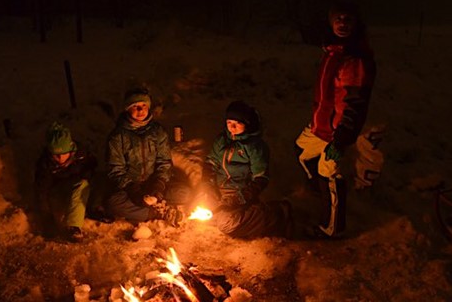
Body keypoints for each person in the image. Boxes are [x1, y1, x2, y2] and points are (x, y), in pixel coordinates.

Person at [295, 0, 376, 239]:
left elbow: (355, 104)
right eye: (338, 19)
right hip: (320, 126)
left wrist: (341, 139)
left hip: (337, 132)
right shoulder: (333, 51)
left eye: (348, 19)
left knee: (329, 173)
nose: (342, 24)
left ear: (356, 23)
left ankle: (332, 229)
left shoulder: (355, 59)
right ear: (331, 22)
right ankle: (321, 193)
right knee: (301, 150)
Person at [200, 100, 293, 239]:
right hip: (220, 192)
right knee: (200, 208)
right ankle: (235, 219)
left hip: (240, 194)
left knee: (226, 223)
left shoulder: (254, 147)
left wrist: (241, 197)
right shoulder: (222, 141)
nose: (232, 127)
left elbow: (261, 178)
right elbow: (210, 164)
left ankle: (275, 214)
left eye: (237, 124)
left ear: (247, 124)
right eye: (229, 123)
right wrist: (208, 186)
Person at [105, 88, 191, 225]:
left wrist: (158, 186)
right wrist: (134, 192)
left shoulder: (158, 132)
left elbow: (164, 162)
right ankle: (157, 213)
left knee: (184, 192)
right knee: (113, 203)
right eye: (135, 106)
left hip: (154, 183)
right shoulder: (117, 136)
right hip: (131, 188)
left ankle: (152, 206)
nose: (140, 110)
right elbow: (116, 170)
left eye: (144, 105)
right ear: (127, 109)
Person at [34, 122, 97, 242]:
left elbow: (92, 169)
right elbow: (41, 192)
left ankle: (74, 226)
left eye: (63, 154)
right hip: (58, 191)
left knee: (83, 185)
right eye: (56, 155)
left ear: (71, 149)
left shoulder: (81, 156)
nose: (60, 158)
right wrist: (47, 219)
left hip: (77, 189)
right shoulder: (45, 165)